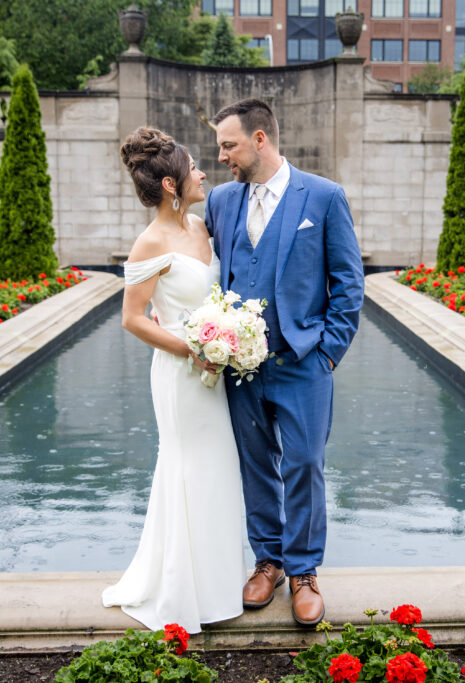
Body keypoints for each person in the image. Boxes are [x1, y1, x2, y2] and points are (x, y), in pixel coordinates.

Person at [205, 99, 364, 626]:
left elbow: (348, 284)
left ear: (259, 139)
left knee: (304, 466)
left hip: (303, 363)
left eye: (228, 144)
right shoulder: (222, 201)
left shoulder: (322, 196)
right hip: (239, 369)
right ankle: (268, 561)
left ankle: (304, 572)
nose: (221, 155)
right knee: (255, 465)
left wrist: (328, 355)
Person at [101, 127, 245, 634]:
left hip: (215, 369)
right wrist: (195, 349)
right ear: (169, 184)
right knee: (186, 467)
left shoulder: (204, 227)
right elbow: (134, 319)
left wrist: (228, 342)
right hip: (181, 376)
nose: (204, 173)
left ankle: (221, 582)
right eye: (194, 168)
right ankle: (183, 591)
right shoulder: (149, 242)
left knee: (219, 466)